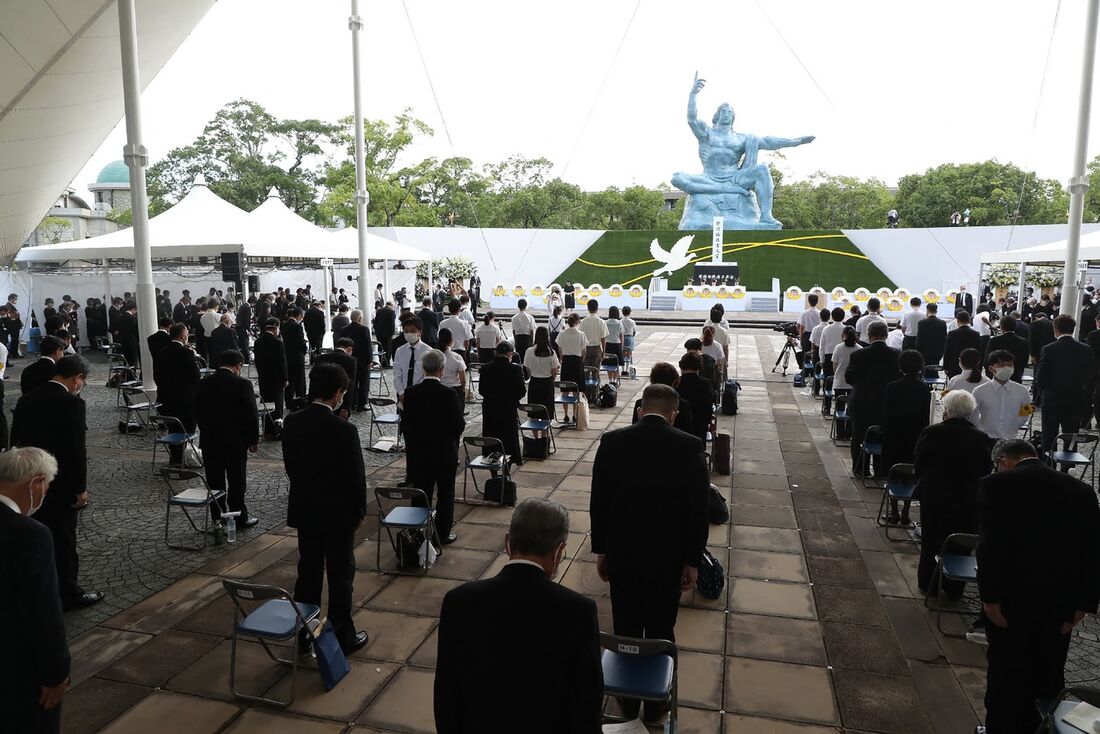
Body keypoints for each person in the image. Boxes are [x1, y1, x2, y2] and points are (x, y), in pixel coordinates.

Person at [591, 384, 708, 722]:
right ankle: (657, 703)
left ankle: (626, 700)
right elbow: (697, 511)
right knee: (660, 626)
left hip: (623, 553)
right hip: (667, 558)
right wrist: (692, 560)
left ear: (641, 411)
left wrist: (602, 550)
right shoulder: (689, 447)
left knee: (625, 625)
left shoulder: (613, 442)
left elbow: (599, 502)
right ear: (673, 415)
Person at [435, 498, 602, 732]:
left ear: (508, 543)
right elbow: (586, 706)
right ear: (559, 551)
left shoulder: (459, 601)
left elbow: (447, 695)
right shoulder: (578, 611)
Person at [977, 438, 1100, 734]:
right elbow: (1093, 549)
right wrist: (1084, 604)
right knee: (1048, 669)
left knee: (1006, 671)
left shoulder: (995, 485)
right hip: (1059, 601)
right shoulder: (1081, 491)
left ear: (1004, 459)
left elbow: (990, 547)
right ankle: (1038, 727)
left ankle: (1001, 728)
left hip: (1011, 599)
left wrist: (989, 598)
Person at [282, 363, 369, 654]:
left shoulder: (292, 422)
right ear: (336, 394)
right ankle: (343, 633)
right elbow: (356, 477)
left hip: (307, 508)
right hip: (339, 513)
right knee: (340, 574)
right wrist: (359, 511)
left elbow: (291, 468)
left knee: (307, 571)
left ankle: (304, 633)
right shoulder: (344, 430)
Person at [11, 355, 101, 611]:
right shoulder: (72, 404)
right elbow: (75, 451)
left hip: (30, 481)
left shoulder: (26, 400)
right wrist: (80, 488)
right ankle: (68, 594)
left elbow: (17, 441)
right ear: (77, 378)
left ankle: (38, 588)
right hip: (59, 484)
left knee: (35, 536)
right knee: (63, 541)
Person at [0, 447, 70, 734]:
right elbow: (43, 612)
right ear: (36, 483)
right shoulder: (29, 535)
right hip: (16, 673)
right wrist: (56, 673)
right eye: (47, 487)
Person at [912, 390, 992, 596]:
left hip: (935, 494)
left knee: (931, 540)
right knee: (961, 541)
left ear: (946, 410)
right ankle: (954, 587)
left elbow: (919, 462)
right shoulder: (981, 438)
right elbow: (985, 469)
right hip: (967, 497)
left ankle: (928, 583)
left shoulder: (932, 432)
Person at [402, 349, 464, 545]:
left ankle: (417, 532)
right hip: (444, 450)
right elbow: (458, 425)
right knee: (445, 492)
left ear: (422, 367)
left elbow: (406, 425)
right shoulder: (449, 394)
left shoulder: (411, 393)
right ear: (442, 370)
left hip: (419, 452)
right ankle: (442, 533)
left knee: (420, 491)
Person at [196, 349, 260, 529]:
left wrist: (205, 429)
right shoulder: (242, 384)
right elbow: (251, 415)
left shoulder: (204, 383)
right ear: (238, 365)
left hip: (210, 439)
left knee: (214, 480)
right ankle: (239, 516)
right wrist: (253, 439)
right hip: (235, 440)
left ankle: (217, 517)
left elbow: (197, 410)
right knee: (237, 480)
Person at [881, 350, 931, 524]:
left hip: (894, 435)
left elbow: (886, 413)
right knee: (910, 473)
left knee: (893, 473)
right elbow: (925, 415)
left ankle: (894, 512)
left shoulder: (892, 386)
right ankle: (906, 512)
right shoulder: (924, 388)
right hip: (915, 436)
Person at [845, 320, 900, 477]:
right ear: (887, 334)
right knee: (882, 437)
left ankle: (860, 469)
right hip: (886, 403)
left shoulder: (858, 354)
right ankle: (880, 470)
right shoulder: (896, 355)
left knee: (859, 437)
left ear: (868, 336)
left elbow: (849, 378)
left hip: (862, 402)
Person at [1035, 314, 1093, 452]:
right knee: (1071, 435)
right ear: (1073, 329)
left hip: (1052, 397)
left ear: (1055, 329)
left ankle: (1049, 464)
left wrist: (1044, 393)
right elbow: (1089, 375)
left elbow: (1041, 376)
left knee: (1049, 435)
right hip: (1075, 398)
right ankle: (1068, 466)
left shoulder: (1049, 349)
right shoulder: (1086, 349)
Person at [153, 324, 200, 465]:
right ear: (182, 335)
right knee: (187, 428)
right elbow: (195, 376)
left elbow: (156, 375)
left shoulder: (162, 352)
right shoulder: (187, 353)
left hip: (166, 397)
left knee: (173, 428)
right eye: (186, 333)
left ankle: (175, 457)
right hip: (186, 398)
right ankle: (185, 457)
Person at [479, 341, 526, 464]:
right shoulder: (515, 370)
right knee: (508, 441)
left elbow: (481, 390)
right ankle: (507, 471)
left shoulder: (485, 368)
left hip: (490, 409)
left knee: (491, 439)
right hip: (508, 409)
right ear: (510, 354)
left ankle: (493, 474)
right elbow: (521, 391)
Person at [972, 350, 1032, 440]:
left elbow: (1027, 411)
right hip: (986, 438)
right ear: (991, 368)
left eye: (1009, 365)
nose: (1006, 368)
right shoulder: (979, 391)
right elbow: (973, 414)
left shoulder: (1022, 391)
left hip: (1010, 437)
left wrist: (1015, 424)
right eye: (1001, 365)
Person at [632, 362, 694, 435]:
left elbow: (634, 429)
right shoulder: (682, 405)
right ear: (674, 382)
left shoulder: (640, 403)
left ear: (652, 381)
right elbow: (688, 431)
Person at [253, 318, 288, 437]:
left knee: (265, 402)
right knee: (277, 404)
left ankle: (267, 428)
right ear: (275, 328)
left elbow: (257, 361)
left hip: (264, 377)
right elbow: (282, 363)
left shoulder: (258, 342)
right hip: (276, 378)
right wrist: (285, 378)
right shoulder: (278, 343)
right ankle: (276, 429)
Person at [312, 338, 358, 417]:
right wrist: (346, 407)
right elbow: (350, 385)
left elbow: (313, 381)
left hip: (320, 400)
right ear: (350, 349)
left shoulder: (320, 358)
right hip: (339, 399)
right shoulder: (350, 360)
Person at [523, 327, 560, 420]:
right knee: (546, 410)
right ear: (547, 337)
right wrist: (551, 380)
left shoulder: (529, 351)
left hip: (534, 382)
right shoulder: (551, 352)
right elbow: (554, 371)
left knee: (534, 410)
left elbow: (527, 367)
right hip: (547, 382)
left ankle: (535, 434)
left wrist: (533, 374)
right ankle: (545, 433)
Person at [676, 351, 713, 443]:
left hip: (680, 420)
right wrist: (708, 420)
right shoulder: (705, 383)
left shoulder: (677, 381)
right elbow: (708, 403)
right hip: (699, 420)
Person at [342, 309, 373, 411]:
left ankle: (352, 402)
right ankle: (362, 403)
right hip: (362, 360)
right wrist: (370, 360)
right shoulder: (364, 329)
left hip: (349, 359)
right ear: (360, 318)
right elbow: (368, 346)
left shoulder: (345, 329)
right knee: (364, 382)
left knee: (351, 381)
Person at [987, 315, 1029, 382]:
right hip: (1016, 374)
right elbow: (1024, 360)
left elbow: (988, 359)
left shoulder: (994, 341)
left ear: (1001, 327)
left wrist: (989, 374)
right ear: (1015, 326)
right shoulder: (1024, 342)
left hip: (997, 374)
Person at [280, 307, 308, 406]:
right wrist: (304, 350)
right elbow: (300, 341)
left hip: (287, 354)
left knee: (290, 378)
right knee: (300, 378)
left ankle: (289, 401)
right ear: (299, 315)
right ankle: (301, 399)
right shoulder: (297, 326)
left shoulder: (283, 325)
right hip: (297, 355)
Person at [942, 310, 980, 379]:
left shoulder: (952, 334)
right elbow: (978, 351)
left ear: (957, 321)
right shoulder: (976, 334)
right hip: (971, 365)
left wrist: (946, 367)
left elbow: (947, 351)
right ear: (969, 320)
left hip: (954, 365)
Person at [556, 313, 587, 390]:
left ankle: (564, 402)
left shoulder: (562, 333)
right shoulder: (581, 334)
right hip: (577, 361)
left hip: (566, 360)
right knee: (577, 389)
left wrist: (561, 357)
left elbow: (559, 347)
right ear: (577, 322)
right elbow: (584, 351)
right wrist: (581, 360)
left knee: (565, 389)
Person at [437, 328, 467, 403]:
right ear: (451, 340)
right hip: (454, 389)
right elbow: (463, 380)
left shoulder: (433, 355)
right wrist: (462, 392)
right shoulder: (457, 357)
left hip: (438, 388)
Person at [830, 326, 861, 398]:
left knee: (839, 407)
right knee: (851, 407)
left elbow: (834, 366)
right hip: (854, 383)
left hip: (840, 382)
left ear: (843, 335)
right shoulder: (860, 349)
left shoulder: (838, 347)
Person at [916, 302, 947, 372]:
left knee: (925, 370)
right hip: (937, 352)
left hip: (924, 351)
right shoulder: (942, 323)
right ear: (936, 311)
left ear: (927, 310)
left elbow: (919, 339)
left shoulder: (922, 323)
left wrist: (918, 350)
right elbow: (944, 338)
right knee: (934, 369)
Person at [579, 300, 608, 368]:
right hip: (596, 349)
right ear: (597, 308)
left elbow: (581, 337)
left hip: (586, 348)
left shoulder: (583, 322)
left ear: (588, 308)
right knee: (596, 372)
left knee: (585, 371)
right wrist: (603, 353)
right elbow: (603, 339)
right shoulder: (601, 322)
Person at [818, 307, 846, 380]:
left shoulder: (826, 329)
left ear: (832, 317)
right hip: (843, 357)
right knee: (841, 379)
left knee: (828, 380)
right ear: (843, 317)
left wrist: (822, 360)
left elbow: (822, 346)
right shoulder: (846, 329)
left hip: (829, 357)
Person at [115, 300, 140, 371]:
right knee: (133, 360)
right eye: (135, 311)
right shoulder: (133, 319)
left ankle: (126, 375)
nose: (135, 313)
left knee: (126, 360)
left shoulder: (120, 317)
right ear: (133, 309)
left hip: (123, 341)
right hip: (132, 341)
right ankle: (132, 376)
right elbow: (135, 330)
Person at [372, 301, 397, 367]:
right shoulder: (391, 312)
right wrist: (392, 333)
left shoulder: (379, 311)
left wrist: (377, 331)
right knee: (388, 349)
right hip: (388, 334)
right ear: (391, 305)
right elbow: (392, 324)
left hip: (379, 333)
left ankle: (381, 362)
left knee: (380, 348)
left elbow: (375, 323)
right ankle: (387, 363)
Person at [797, 293, 820, 358]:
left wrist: (801, 339)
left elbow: (801, 327)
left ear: (809, 301)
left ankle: (805, 367)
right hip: (816, 335)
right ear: (817, 302)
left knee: (805, 355)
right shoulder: (819, 313)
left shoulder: (804, 313)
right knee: (815, 354)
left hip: (807, 336)